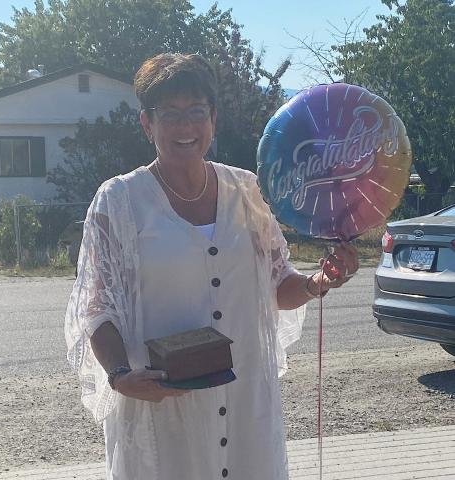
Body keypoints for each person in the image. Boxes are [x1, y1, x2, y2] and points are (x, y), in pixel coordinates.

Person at [64, 53, 359, 480]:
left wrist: (320, 280)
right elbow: (97, 307)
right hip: (163, 412)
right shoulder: (119, 202)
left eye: (196, 112)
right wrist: (120, 374)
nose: (186, 127)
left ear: (213, 118)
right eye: (170, 114)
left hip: (245, 406)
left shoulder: (248, 191)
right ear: (147, 124)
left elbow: (278, 286)